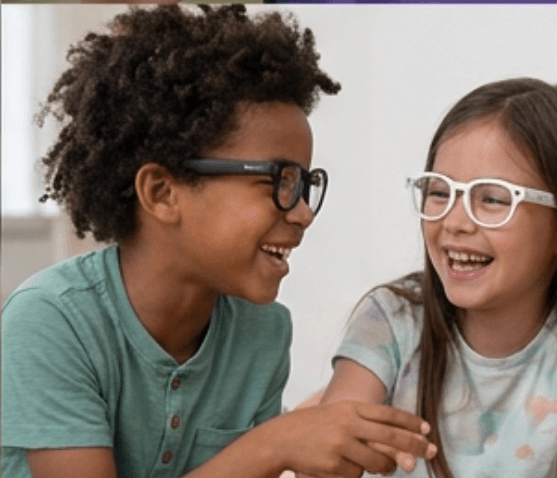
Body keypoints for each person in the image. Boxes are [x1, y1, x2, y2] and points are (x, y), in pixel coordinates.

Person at [1, 5, 437, 478]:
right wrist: (275, 445)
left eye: (306, 184)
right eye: (279, 180)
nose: (304, 212)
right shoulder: (52, 321)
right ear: (162, 193)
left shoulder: (263, 332)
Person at [308, 77, 557, 478]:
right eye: (439, 192)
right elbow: (322, 466)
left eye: (492, 199)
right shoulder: (392, 319)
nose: (455, 222)